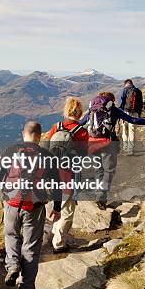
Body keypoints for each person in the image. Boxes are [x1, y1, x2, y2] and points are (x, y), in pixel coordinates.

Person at [0, 121, 61, 289]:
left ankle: (12, 266)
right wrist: (57, 208)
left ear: (23, 134)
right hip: (34, 208)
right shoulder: (46, 156)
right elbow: (57, 185)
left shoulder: (10, 151)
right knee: (31, 248)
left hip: (11, 203)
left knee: (11, 235)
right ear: (40, 135)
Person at [80, 92, 145, 209]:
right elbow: (133, 119)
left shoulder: (92, 109)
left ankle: (100, 195)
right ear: (110, 100)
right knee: (109, 171)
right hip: (107, 143)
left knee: (98, 170)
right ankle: (101, 196)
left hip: (92, 143)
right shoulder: (113, 109)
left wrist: (62, 128)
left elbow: (81, 123)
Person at [46, 97, 88, 253]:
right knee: (67, 212)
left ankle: (54, 233)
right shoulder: (82, 132)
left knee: (58, 205)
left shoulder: (55, 127)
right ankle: (59, 243)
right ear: (79, 112)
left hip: (51, 173)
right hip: (68, 175)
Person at [119, 79, 143, 155]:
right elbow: (141, 104)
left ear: (126, 84)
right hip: (135, 113)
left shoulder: (125, 90)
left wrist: (120, 113)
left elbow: (122, 102)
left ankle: (125, 147)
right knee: (132, 130)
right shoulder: (138, 91)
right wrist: (139, 114)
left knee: (125, 130)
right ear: (132, 83)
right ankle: (130, 150)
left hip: (126, 112)